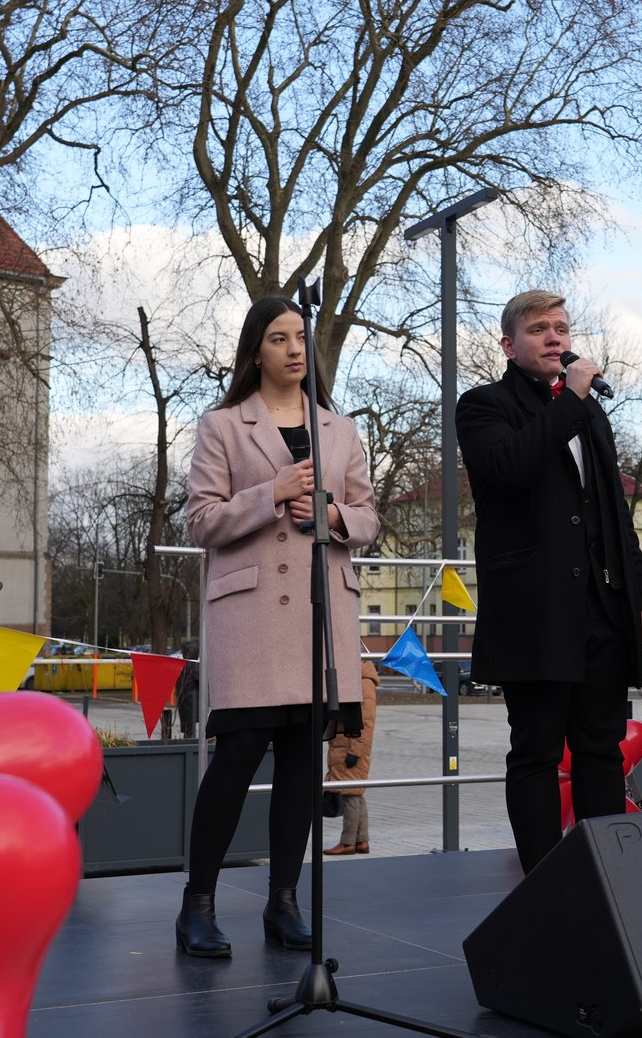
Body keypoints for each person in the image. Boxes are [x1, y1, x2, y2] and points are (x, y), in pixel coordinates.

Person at [174, 295, 379, 958]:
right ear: (254, 351)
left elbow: (368, 520)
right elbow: (201, 520)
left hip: (322, 618)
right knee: (235, 758)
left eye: (300, 338)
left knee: (300, 766)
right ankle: (197, 906)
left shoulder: (339, 430)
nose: (294, 349)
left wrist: (334, 513)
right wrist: (272, 494)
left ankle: (283, 904)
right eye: (278, 339)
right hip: (252, 617)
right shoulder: (224, 426)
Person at [455, 289, 642, 875]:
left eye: (562, 328)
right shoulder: (484, 405)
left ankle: (605, 876)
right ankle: (543, 879)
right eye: (539, 328)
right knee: (537, 751)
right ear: (508, 344)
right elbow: (509, 467)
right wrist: (570, 399)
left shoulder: (589, 412)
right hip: (534, 610)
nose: (555, 338)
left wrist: (639, 594)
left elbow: (613, 513)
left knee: (600, 750)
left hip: (600, 607)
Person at [323, 659, 379, 855]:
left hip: (350, 749)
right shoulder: (357, 679)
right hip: (344, 746)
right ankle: (361, 840)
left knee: (350, 796)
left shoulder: (363, 681)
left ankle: (347, 843)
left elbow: (367, 721)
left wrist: (355, 752)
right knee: (355, 793)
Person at [174, 639, 200, 739]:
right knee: (190, 728)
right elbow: (202, 681)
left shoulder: (181, 666)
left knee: (188, 728)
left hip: (183, 700)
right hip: (192, 702)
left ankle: (188, 740)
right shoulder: (194, 666)